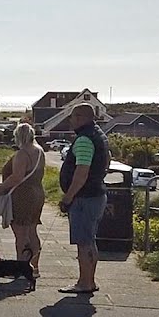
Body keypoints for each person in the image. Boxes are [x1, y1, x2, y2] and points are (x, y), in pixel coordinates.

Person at [57, 103, 110, 294]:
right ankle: (90, 281)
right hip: (96, 194)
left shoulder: (84, 139)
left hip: (84, 198)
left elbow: (81, 172)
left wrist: (68, 197)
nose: (71, 120)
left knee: (83, 242)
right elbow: (107, 160)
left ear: (81, 117)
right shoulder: (99, 135)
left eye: (72, 117)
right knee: (89, 239)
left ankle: (84, 283)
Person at [0, 122, 45, 276]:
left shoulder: (22, 154)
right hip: (37, 193)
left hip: (22, 195)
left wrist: (0, 188)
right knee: (32, 231)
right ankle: (34, 268)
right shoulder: (39, 151)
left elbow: (17, 177)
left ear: (18, 136)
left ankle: (21, 268)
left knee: (20, 234)